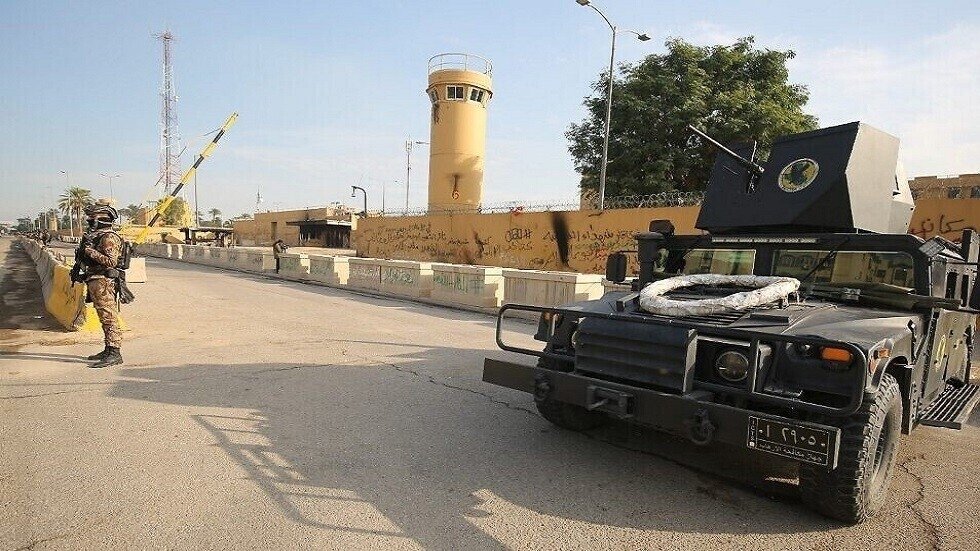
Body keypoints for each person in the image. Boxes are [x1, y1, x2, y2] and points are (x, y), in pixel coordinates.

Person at [77, 200, 126, 368]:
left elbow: (111, 262)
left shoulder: (108, 237)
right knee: (103, 317)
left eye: (93, 218)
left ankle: (115, 353)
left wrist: (89, 251)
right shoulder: (96, 236)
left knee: (109, 317)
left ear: (102, 219)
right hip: (96, 280)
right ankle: (108, 349)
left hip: (104, 282)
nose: (90, 221)